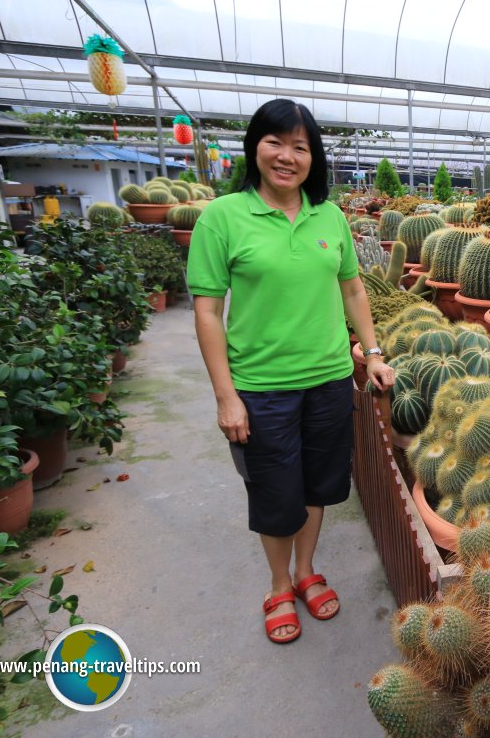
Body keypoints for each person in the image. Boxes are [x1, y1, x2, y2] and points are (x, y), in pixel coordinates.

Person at [188, 98, 395, 644]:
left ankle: (306, 572)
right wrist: (225, 396)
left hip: (328, 380)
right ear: (255, 147)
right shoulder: (223, 218)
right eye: (275, 142)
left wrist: (371, 353)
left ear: (313, 157)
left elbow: (352, 288)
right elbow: (207, 310)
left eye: (299, 147)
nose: (286, 156)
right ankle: (278, 584)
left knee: (318, 487)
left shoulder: (329, 217)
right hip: (261, 388)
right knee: (275, 493)